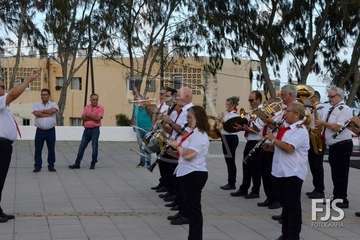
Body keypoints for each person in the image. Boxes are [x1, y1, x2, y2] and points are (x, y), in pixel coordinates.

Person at [265, 102, 310, 240]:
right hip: (281, 171)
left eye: (288, 111)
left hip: (293, 173)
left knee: (292, 207)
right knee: (286, 207)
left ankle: (293, 236)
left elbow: (289, 148)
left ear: (296, 114)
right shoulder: (285, 128)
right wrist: (270, 147)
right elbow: (281, 146)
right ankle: (286, 234)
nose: (285, 114)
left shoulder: (300, 130)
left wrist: (273, 139)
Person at [0, 71, 39, 223]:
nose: (2, 89)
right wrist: (28, 80)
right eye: (0, 87)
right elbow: (14, 94)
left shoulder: (4, 106)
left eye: (3, 87)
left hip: (4, 146)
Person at [170, 105, 209, 240]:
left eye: (189, 117)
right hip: (187, 173)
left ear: (198, 119)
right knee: (191, 209)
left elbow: (188, 155)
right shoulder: (191, 132)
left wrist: (178, 146)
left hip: (194, 174)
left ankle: (195, 237)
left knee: (194, 211)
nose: (187, 120)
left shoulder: (200, 135)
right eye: (187, 117)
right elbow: (181, 154)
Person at [315, 86, 353, 209]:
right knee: (335, 174)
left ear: (339, 96)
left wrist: (322, 123)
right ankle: (337, 197)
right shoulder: (332, 109)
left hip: (342, 145)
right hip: (334, 146)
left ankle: (342, 199)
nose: (330, 99)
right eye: (329, 96)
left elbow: (338, 127)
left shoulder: (344, 109)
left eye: (332, 96)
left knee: (341, 174)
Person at [162, 87, 193, 225]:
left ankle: (185, 213)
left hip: (187, 155)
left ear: (186, 97)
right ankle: (181, 210)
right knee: (178, 181)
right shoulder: (181, 110)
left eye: (178, 96)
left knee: (184, 187)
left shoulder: (189, 111)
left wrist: (169, 122)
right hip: (179, 148)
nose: (176, 99)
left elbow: (183, 131)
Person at [231, 91, 262, 199]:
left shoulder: (262, 111)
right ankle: (244, 188)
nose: (250, 102)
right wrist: (241, 127)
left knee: (255, 168)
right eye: (249, 100)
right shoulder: (254, 111)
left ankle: (255, 191)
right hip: (250, 141)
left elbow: (258, 129)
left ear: (258, 100)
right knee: (246, 166)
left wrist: (246, 128)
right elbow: (251, 126)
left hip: (256, 142)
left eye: (252, 100)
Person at [69, 93, 104, 170]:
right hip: (87, 130)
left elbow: (98, 118)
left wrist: (88, 116)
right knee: (82, 146)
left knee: (94, 146)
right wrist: (93, 117)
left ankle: (93, 163)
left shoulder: (100, 108)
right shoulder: (87, 107)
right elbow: (83, 117)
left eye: (96, 99)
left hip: (95, 130)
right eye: (93, 99)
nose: (95, 101)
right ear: (90, 100)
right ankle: (77, 163)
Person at [306, 91, 329, 199]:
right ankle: (316, 188)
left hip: (318, 138)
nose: (308, 99)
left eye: (310, 97)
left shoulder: (322, 108)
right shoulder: (311, 109)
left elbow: (322, 122)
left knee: (317, 166)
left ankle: (320, 190)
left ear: (315, 97)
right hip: (311, 138)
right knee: (313, 165)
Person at [32, 89, 59, 172]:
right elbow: (36, 113)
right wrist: (48, 113)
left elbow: (53, 111)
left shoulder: (53, 104)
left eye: (46, 94)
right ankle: (37, 166)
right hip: (40, 131)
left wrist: (42, 112)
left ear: (49, 95)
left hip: (51, 131)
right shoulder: (36, 104)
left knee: (51, 149)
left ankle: (51, 165)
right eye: (42, 94)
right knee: (38, 149)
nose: (44, 96)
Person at [219, 96, 240, 190]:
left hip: (231, 138)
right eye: (226, 104)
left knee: (230, 161)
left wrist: (221, 120)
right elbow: (222, 127)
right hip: (225, 137)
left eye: (228, 104)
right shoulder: (227, 114)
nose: (226, 106)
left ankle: (232, 183)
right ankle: (230, 182)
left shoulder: (235, 115)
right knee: (229, 161)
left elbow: (229, 127)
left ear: (233, 105)